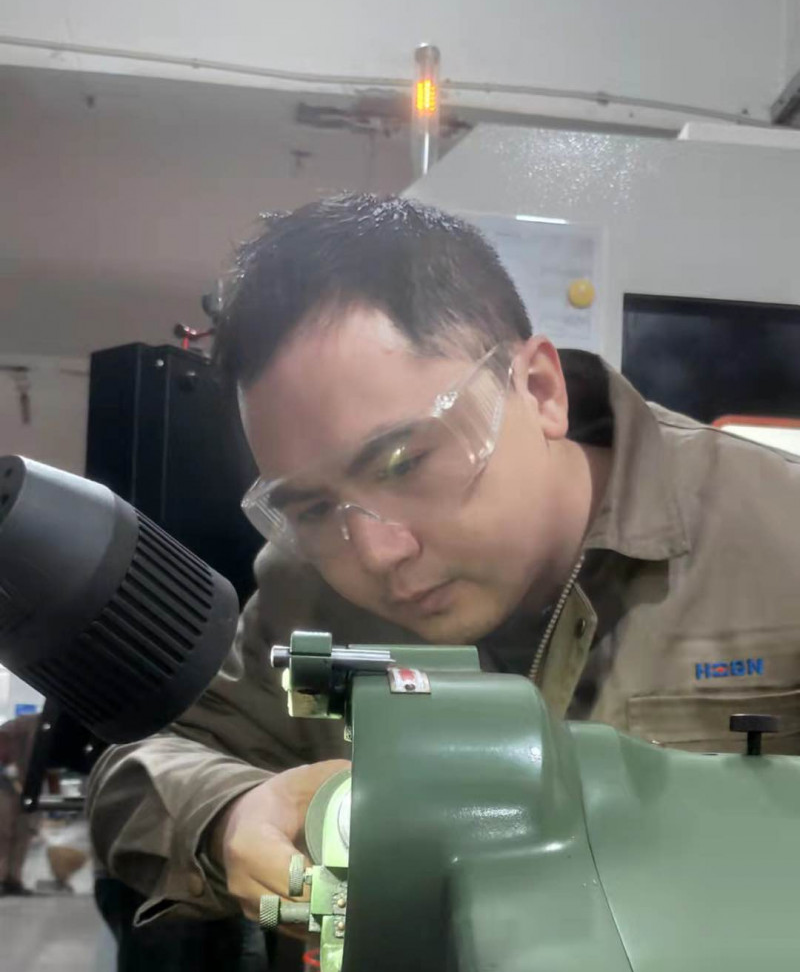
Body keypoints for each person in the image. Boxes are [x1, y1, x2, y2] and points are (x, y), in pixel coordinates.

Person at [88, 194, 800, 925]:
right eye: (313, 508)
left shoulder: (779, 538)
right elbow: (141, 772)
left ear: (540, 390)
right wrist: (229, 814)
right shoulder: (307, 587)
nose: (375, 554)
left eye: (403, 464)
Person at [0, 712, 38, 896]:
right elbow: (3, 737)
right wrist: (5, 764)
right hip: (5, 786)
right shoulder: (24, 724)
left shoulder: (52, 734)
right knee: (3, 832)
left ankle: (13, 879)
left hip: (30, 788)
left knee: (24, 833)